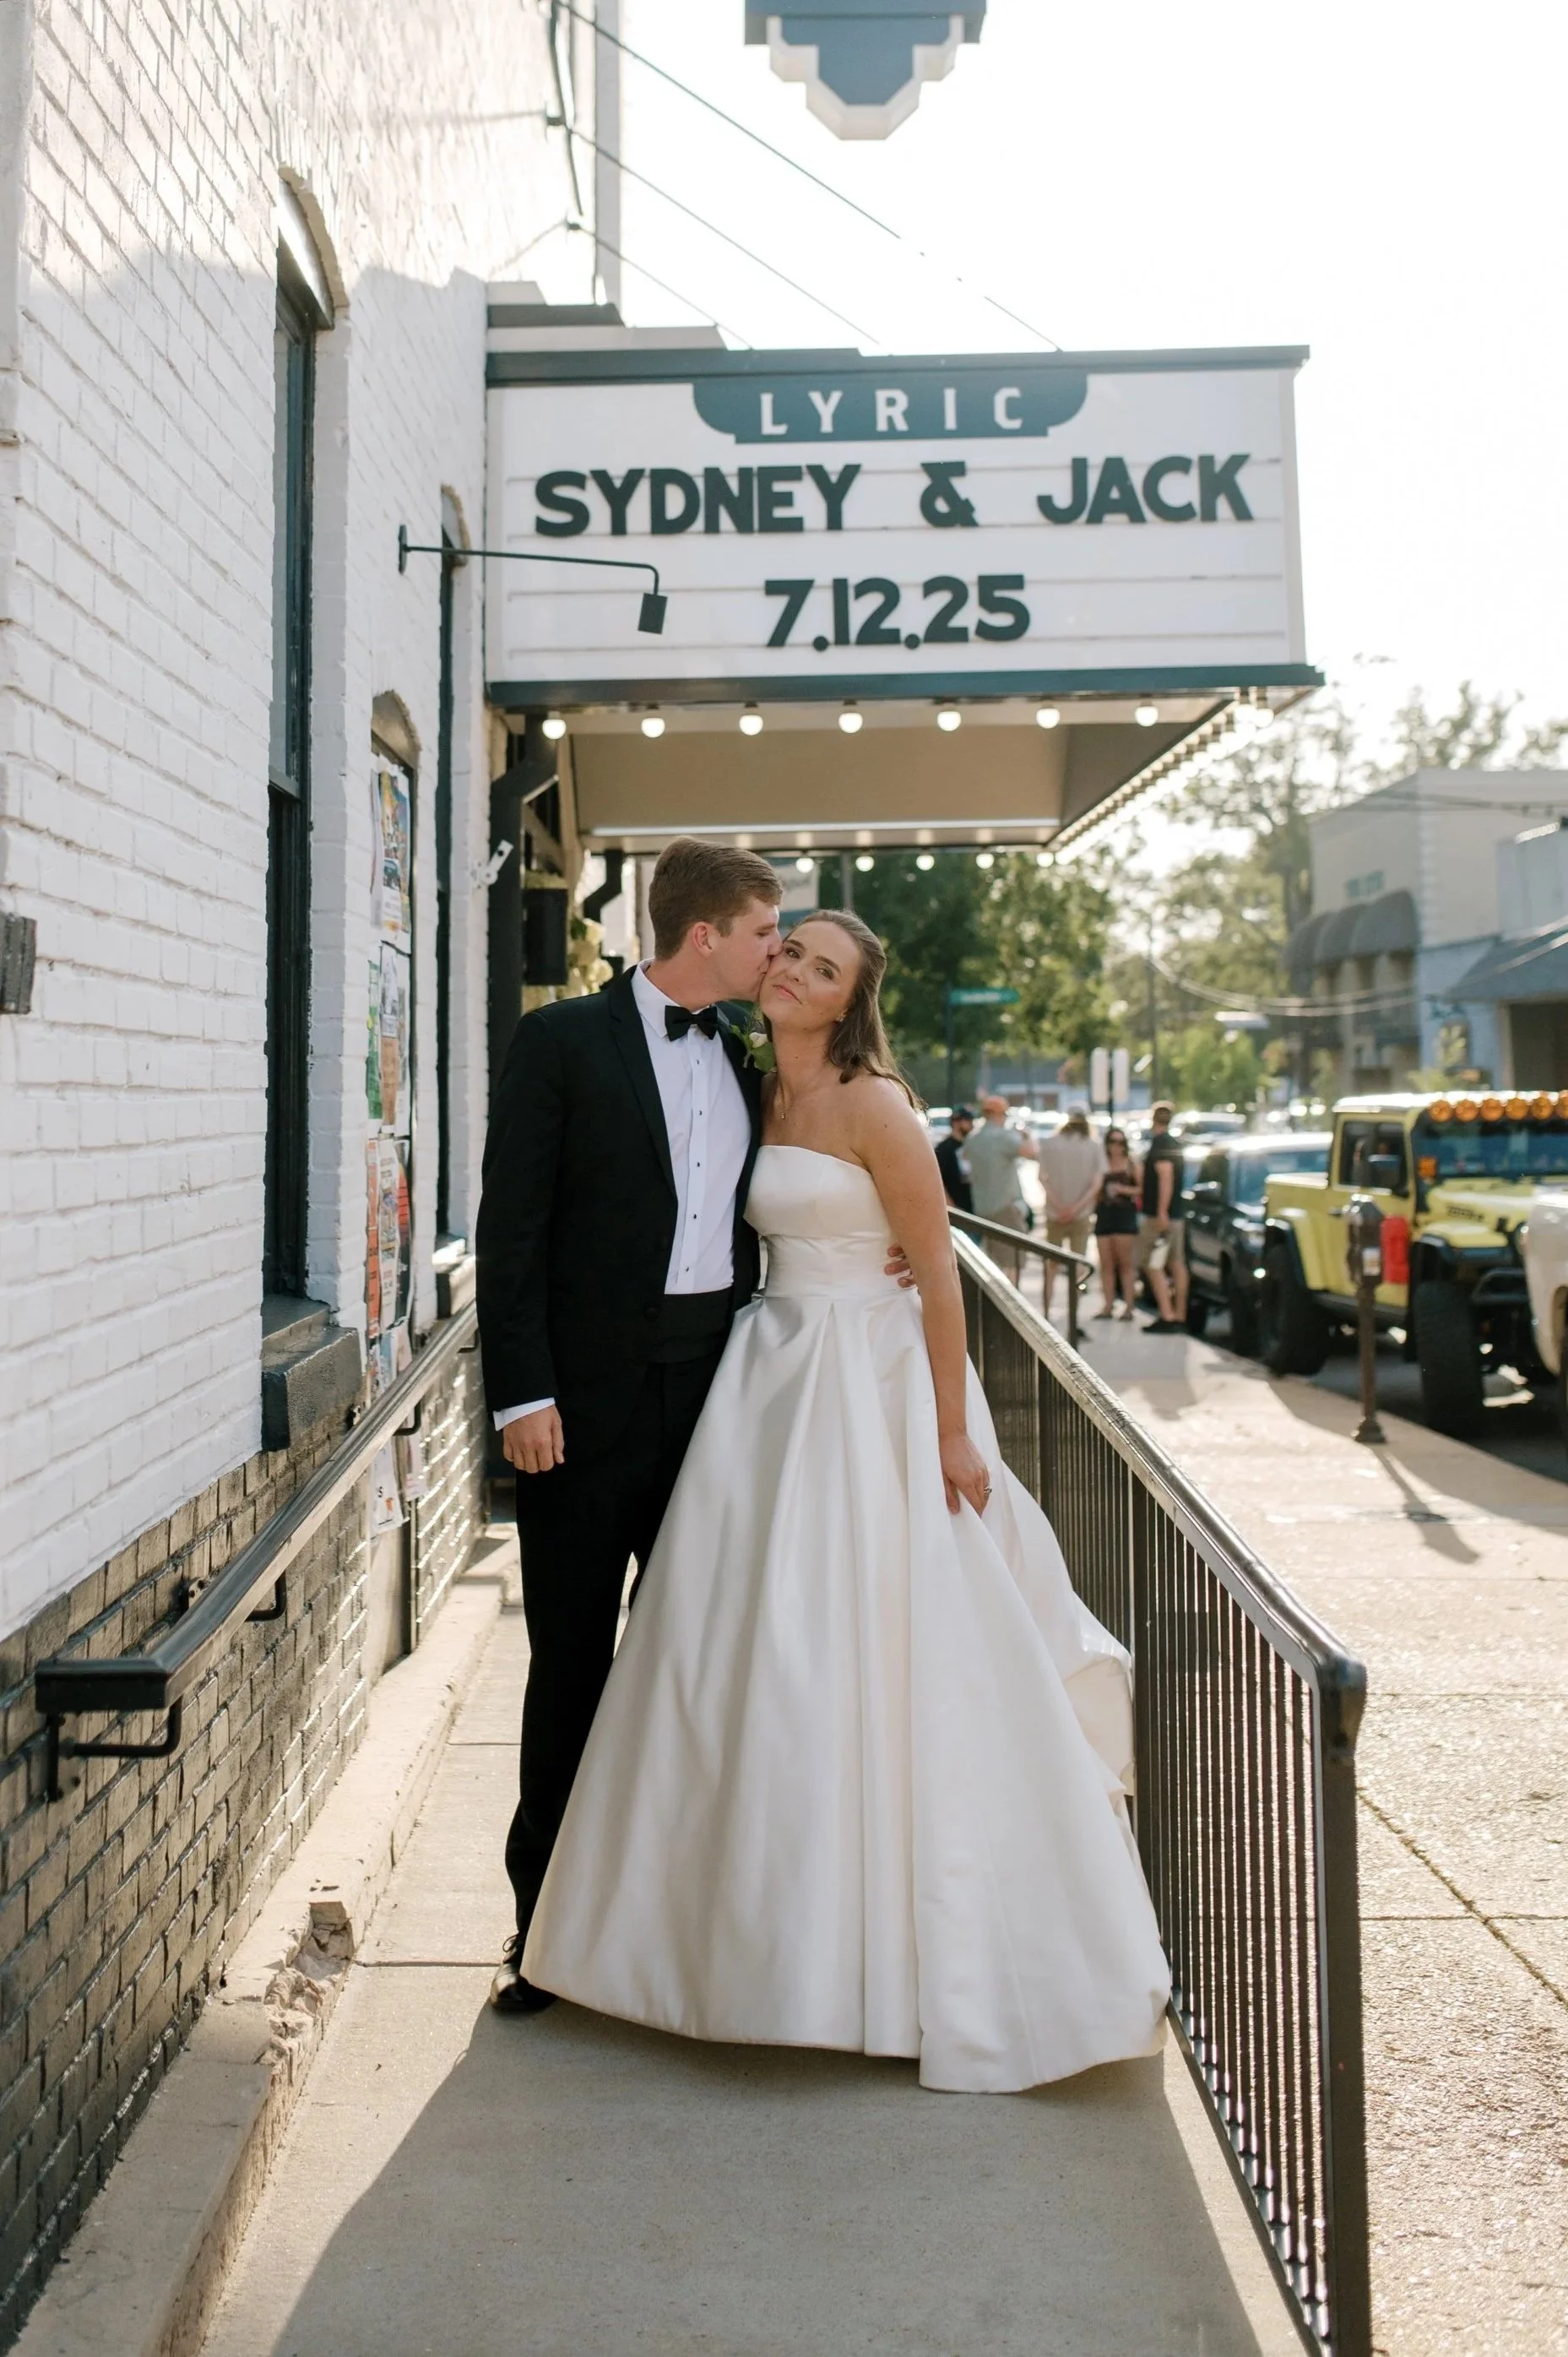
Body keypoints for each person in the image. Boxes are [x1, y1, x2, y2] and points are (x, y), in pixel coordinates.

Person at [523, 910, 1170, 2094]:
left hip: (865, 1379)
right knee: (737, 1650)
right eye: (789, 949)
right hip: (763, 1375)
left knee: (870, 1638)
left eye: (821, 966)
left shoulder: (879, 1105)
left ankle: (904, 1956)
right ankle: (708, 1946)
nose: (793, 968)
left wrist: (949, 1428)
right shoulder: (744, 1078)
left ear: (847, 1000)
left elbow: (935, 1274)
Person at [475, 839, 912, 2017]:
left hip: (724, 1414)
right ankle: (539, 1930)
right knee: (571, 1668)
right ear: (707, 934)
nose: (779, 950)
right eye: (769, 930)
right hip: (572, 1418)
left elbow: (840, 1184)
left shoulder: (746, 1059)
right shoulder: (561, 1043)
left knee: (701, 1672)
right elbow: (509, 1231)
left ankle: (672, 1928)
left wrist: (895, 1268)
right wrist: (521, 1395)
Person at [1036, 1102, 1105, 1317]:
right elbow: (1097, 1184)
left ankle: (1046, 1313)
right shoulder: (1094, 1146)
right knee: (1079, 1266)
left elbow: (1042, 1178)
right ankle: (1074, 1317)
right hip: (1081, 1214)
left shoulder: (1049, 1143)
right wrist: (1076, 1208)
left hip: (1055, 1213)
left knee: (1051, 1266)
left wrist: (1059, 1205)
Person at [965, 1092, 1037, 1280]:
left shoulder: (973, 1139)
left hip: (982, 1209)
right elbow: (1031, 1153)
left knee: (992, 1262)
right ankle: (1009, 1307)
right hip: (1006, 1207)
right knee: (1012, 1262)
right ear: (1000, 1114)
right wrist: (1026, 1136)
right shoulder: (1004, 1137)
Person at [1137, 1100, 1189, 1334]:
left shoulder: (1160, 1143)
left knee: (1152, 1263)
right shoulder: (1174, 1143)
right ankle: (1179, 1314)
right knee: (1176, 1264)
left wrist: (1161, 1211)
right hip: (1176, 1214)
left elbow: (1165, 1177)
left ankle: (1168, 1315)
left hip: (1162, 1216)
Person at [1093, 1127, 1142, 1319]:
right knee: (1106, 1264)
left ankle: (1129, 1306)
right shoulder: (1101, 1165)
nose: (1116, 1147)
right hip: (1104, 1215)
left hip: (1124, 1217)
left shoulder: (1131, 1165)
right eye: (1112, 1142)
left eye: (1120, 1142)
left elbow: (1141, 1189)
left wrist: (1123, 1189)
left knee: (1126, 1264)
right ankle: (1108, 1304)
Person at [934, 1105, 974, 1214]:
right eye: (967, 1120)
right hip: (958, 1209)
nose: (971, 1124)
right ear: (956, 1122)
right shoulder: (943, 1149)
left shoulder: (972, 1145)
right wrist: (952, 1209)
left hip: (975, 1207)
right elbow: (938, 1181)